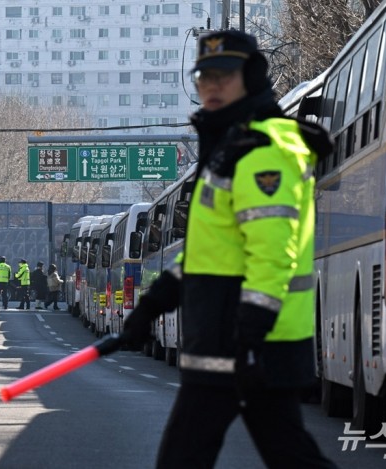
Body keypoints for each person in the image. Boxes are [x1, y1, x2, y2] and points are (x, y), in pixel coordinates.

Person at [122, 30, 336, 469]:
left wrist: (250, 335)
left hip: (248, 345)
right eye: (204, 78)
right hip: (229, 342)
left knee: (185, 458)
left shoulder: (260, 151)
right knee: (289, 454)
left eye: (225, 76)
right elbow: (209, 253)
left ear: (251, 78)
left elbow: (274, 252)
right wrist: (151, 307)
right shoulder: (228, 146)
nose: (212, 87)